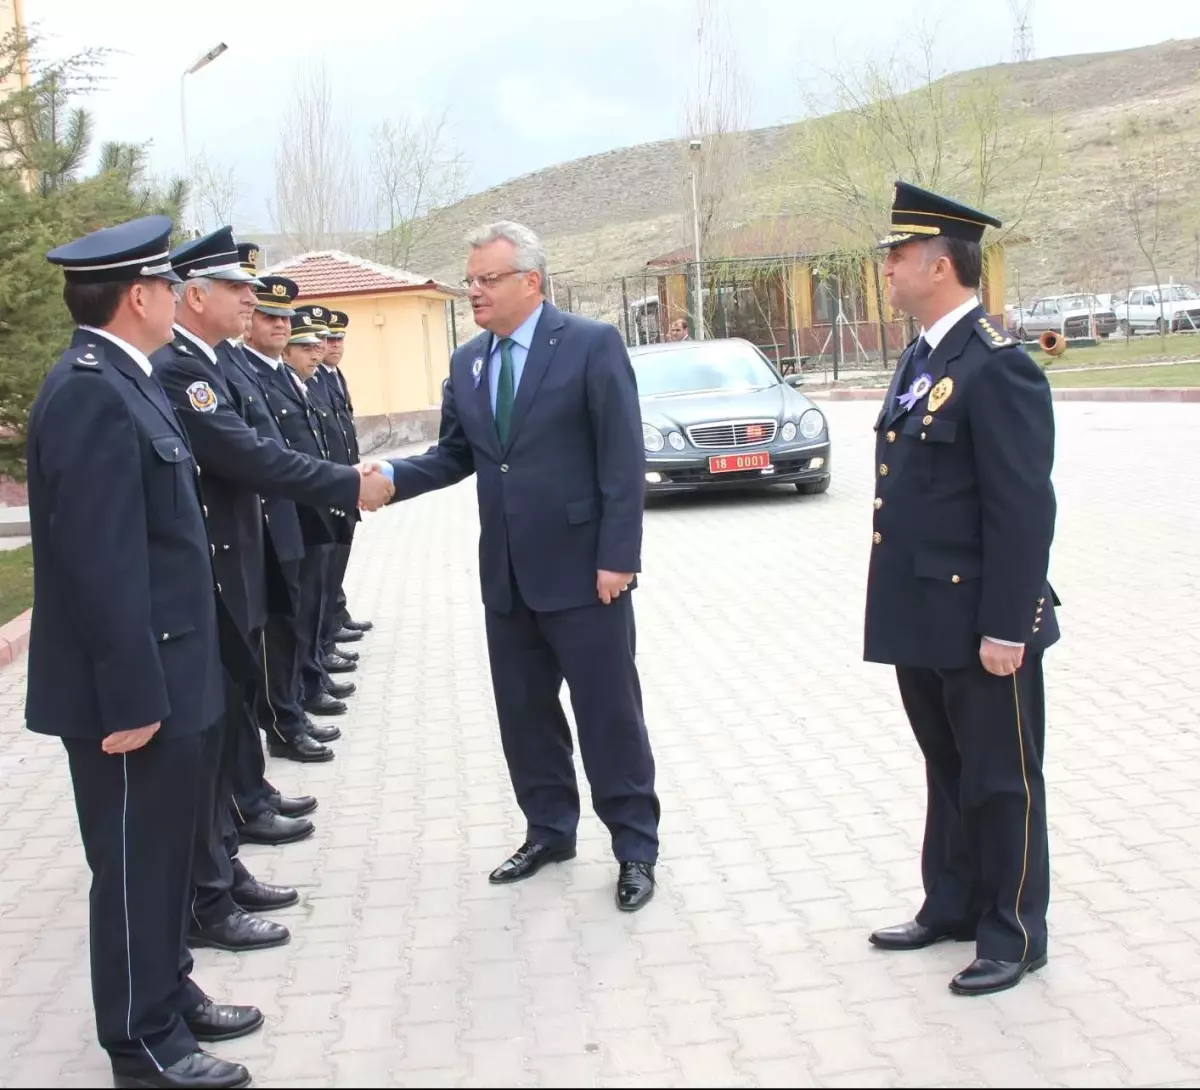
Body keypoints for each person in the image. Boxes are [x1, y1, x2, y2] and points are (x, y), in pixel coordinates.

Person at [26, 215, 257, 1089]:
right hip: (131, 692)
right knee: (131, 869)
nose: (177, 296)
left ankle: (169, 991)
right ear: (139, 296)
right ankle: (144, 1044)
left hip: (172, 672)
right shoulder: (89, 391)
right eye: (167, 284)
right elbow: (99, 561)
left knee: (161, 856)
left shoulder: (129, 379)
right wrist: (130, 699)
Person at [382, 221, 660, 912]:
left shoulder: (592, 346)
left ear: (530, 282)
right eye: (470, 279)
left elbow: (621, 461)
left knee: (608, 715)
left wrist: (618, 558)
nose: (472, 291)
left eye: (487, 280)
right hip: (507, 575)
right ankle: (548, 830)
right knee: (525, 715)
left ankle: (634, 847)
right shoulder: (468, 361)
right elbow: (454, 454)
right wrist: (386, 477)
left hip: (585, 575)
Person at [151, 227, 394, 954]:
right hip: (210, 577)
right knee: (217, 722)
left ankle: (223, 860)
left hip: (238, 561)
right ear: (195, 295)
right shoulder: (176, 371)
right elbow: (245, 454)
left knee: (228, 717)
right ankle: (213, 881)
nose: (254, 301)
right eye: (238, 289)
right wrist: (350, 483)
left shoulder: (207, 364)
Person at [864, 181, 1060, 996]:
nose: (887, 271)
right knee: (946, 770)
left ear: (939, 266)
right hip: (922, 610)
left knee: (1000, 777)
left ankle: (1014, 929)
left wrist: (1008, 626)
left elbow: (1022, 509)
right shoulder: (924, 355)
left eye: (897, 258)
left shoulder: (997, 366)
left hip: (983, 619)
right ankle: (950, 902)